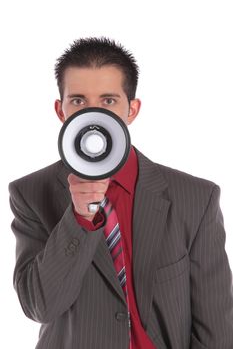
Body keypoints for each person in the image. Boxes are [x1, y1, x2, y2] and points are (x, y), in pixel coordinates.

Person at [9, 37, 233, 349]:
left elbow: (217, 329)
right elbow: (40, 306)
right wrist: (79, 218)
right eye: (78, 101)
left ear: (132, 110)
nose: (94, 116)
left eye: (109, 101)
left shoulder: (196, 198)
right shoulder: (31, 193)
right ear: (61, 111)